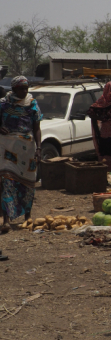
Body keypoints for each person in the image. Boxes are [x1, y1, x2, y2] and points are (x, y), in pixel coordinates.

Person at [0, 76, 42, 233]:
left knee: (28, 183)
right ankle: (6, 220)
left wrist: (39, 148)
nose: (25, 91)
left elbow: (37, 127)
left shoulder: (32, 103)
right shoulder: (3, 104)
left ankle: (27, 217)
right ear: (14, 89)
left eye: (26, 88)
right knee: (7, 182)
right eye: (21, 88)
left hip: (27, 149)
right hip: (7, 148)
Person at [87, 81, 111, 184]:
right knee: (106, 156)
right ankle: (104, 178)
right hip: (106, 133)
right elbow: (90, 112)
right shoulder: (102, 102)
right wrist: (102, 118)